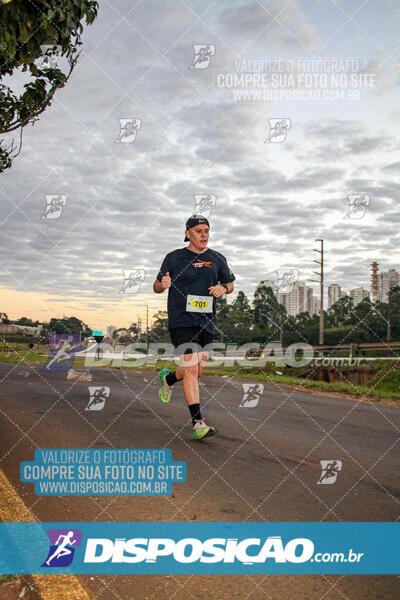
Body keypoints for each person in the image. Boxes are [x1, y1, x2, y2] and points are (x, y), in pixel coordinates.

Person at [153, 215, 235, 440]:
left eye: (207, 230)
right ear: (188, 233)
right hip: (181, 320)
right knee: (190, 369)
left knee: (197, 370)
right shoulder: (174, 257)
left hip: (206, 321)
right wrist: (163, 284)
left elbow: (229, 283)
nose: (204, 235)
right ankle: (198, 422)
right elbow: (156, 286)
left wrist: (224, 289)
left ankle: (169, 379)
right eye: (198, 231)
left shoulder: (217, 258)